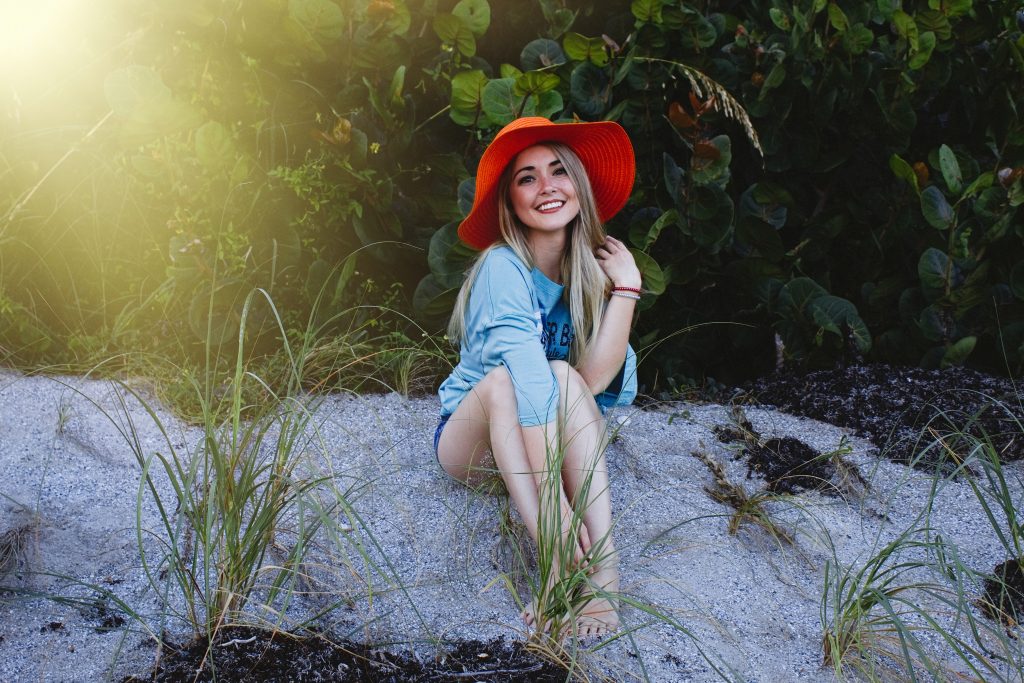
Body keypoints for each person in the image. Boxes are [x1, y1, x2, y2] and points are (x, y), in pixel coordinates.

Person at [434, 116, 640, 639]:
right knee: (510, 379)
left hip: (543, 438)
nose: (546, 186)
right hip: (477, 444)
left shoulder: (586, 273)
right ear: (511, 201)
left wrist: (626, 290)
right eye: (527, 178)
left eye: (558, 171)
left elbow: (589, 384)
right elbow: (527, 381)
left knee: (563, 375)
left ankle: (604, 576)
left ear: (578, 184)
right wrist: (555, 510)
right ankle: (554, 566)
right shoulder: (503, 267)